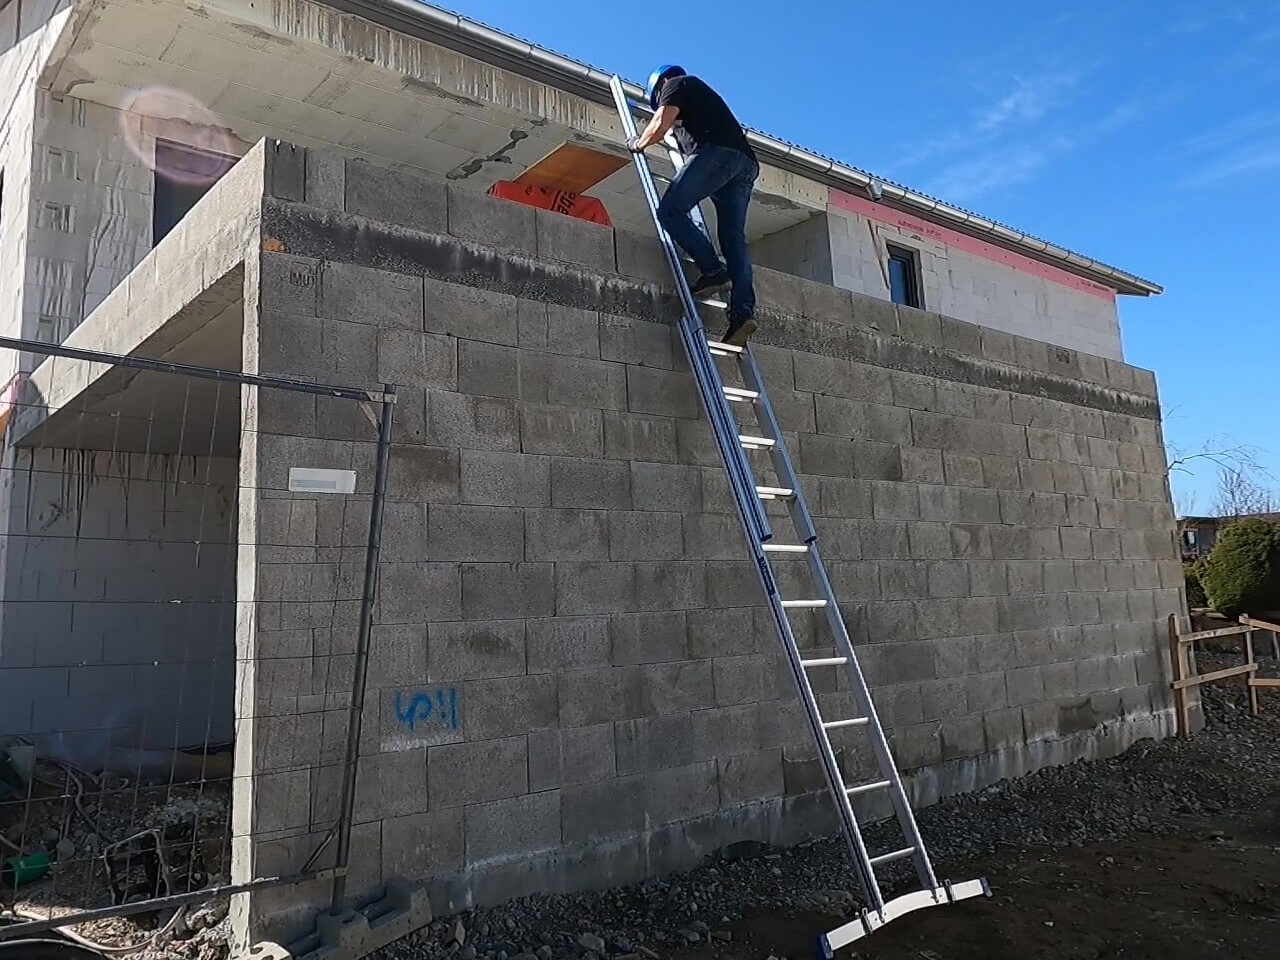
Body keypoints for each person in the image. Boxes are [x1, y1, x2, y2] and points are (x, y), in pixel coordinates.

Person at [626, 65, 760, 347]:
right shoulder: (700, 98)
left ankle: (713, 271)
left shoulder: (677, 84)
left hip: (717, 154)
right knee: (733, 239)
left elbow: (660, 123)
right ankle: (742, 313)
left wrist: (638, 143)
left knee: (670, 211)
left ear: (661, 84)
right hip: (745, 164)